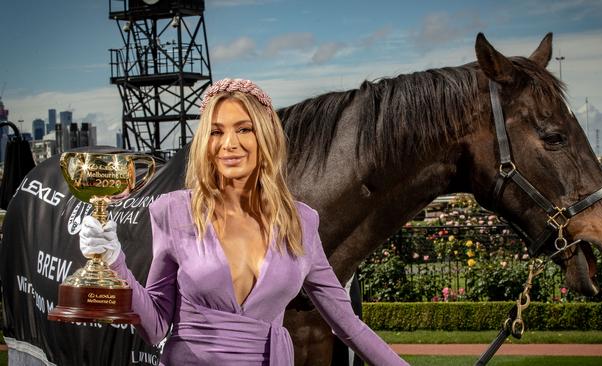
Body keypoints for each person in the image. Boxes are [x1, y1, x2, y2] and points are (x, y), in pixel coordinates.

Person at [79, 78, 409, 366]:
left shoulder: (302, 223)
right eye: (216, 131)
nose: (230, 144)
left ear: (264, 136)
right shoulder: (173, 211)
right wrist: (113, 262)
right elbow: (154, 325)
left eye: (244, 129)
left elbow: (348, 325)